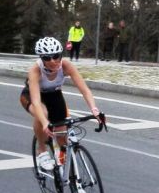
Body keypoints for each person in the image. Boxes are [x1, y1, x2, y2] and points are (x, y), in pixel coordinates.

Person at [21, 36, 101, 172]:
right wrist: (45, 122)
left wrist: (94, 109)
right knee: (43, 114)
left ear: (61, 55)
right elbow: (35, 101)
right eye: (47, 58)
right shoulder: (35, 71)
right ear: (41, 58)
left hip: (54, 95)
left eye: (56, 56)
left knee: (62, 135)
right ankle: (41, 150)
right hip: (32, 96)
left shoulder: (66, 66)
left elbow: (85, 90)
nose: (53, 61)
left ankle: (65, 168)